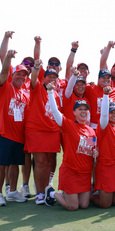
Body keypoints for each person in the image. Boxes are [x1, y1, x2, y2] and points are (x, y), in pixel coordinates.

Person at [44, 83, 97, 210]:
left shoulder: (91, 131)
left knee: (84, 205)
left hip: (85, 174)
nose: (83, 112)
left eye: (85, 109)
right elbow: (55, 111)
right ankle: (51, 192)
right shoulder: (68, 125)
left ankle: (69, 194)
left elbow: (92, 150)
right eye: (80, 109)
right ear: (74, 112)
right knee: (73, 206)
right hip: (71, 172)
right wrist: (50, 93)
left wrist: (96, 153)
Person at [25, 59, 62, 205]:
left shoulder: (56, 96)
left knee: (47, 162)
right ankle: (39, 193)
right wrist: (36, 67)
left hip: (52, 131)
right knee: (40, 162)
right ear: (44, 78)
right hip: (36, 130)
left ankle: (46, 191)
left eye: (55, 77)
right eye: (49, 76)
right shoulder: (38, 87)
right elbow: (33, 78)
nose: (52, 79)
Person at [0, 50, 30, 205]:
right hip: (4, 133)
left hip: (18, 136)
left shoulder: (25, 95)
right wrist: (7, 57)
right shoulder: (5, 87)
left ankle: (12, 192)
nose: (21, 77)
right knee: (2, 164)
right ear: (13, 75)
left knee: (15, 164)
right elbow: (4, 71)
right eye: (18, 74)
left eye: (24, 75)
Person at [92, 86, 115, 208]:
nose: (114, 115)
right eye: (111, 112)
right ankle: (88, 195)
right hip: (107, 168)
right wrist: (105, 95)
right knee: (105, 205)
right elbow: (103, 116)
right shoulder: (104, 127)